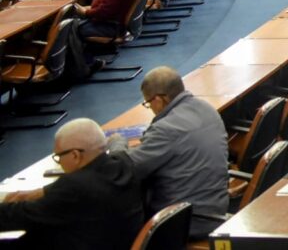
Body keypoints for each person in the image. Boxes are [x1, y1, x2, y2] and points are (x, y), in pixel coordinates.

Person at [106, 67, 228, 238]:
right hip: (216, 209)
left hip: (183, 221)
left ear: (159, 99)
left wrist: (117, 142)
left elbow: (124, 170)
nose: (150, 108)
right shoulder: (207, 109)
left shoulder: (167, 129)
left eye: (148, 103)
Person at [0, 118, 144, 249]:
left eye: (58, 157)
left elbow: (18, 215)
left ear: (75, 155)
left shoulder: (74, 186)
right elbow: (119, 148)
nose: (59, 162)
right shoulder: (123, 163)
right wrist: (42, 191)